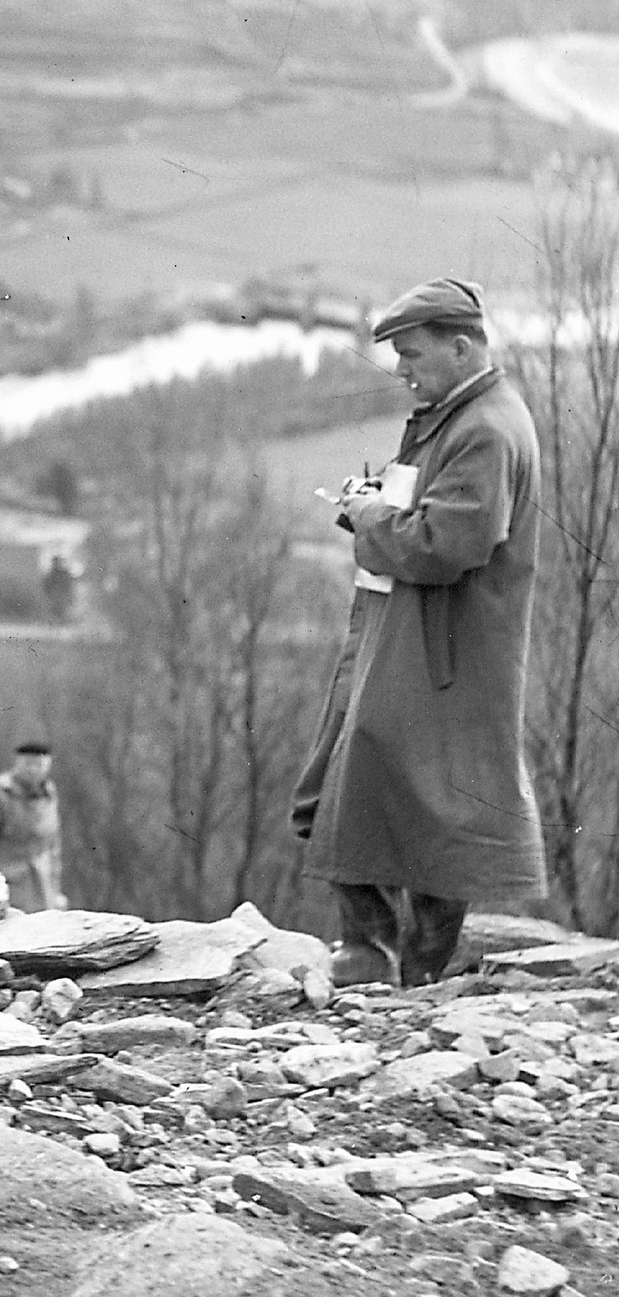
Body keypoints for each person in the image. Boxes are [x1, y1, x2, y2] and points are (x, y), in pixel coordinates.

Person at [290, 276, 544, 988]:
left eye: (412, 354)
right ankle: (382, 956)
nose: (401, 369)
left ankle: (403, 969)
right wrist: (374, 506)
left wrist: (370, 517)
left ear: (461, 348)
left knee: (427, 816)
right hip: (413, 639)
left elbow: (445, 545)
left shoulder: (485, 429)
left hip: (445, 652)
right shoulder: (457, 417)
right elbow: (432, 519)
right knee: (349, 792)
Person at [0, 742, 68, 911]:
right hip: (8, 884)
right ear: (17, 763)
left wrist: (56, 891)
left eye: (39, 764)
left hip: (43, 885)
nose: (33, 770)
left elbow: (53, 845)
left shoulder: (49, 793)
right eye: (28, 764)